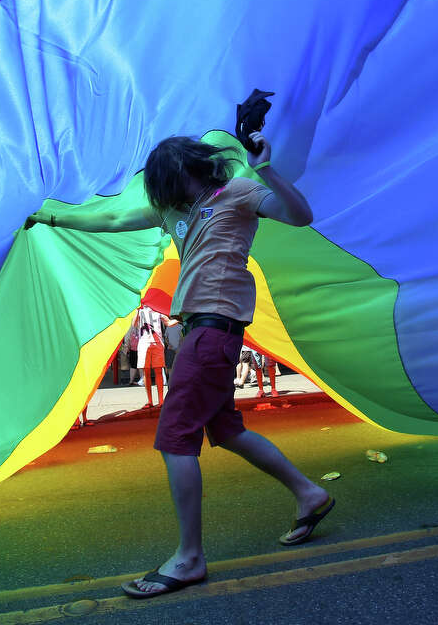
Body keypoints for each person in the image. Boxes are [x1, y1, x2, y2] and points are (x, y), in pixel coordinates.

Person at [25, 130, 334, 599]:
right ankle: (310, 494)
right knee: (226, 431)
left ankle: (189, 558)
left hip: (215, 328)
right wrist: (49, 216)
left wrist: (265, 168)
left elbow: (300, 215)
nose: (162, 192)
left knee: (175, 437)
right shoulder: (173, 212)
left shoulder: (238, 192)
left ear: (187, 169)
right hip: (201, 331)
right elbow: (112, 217)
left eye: (165, 180)